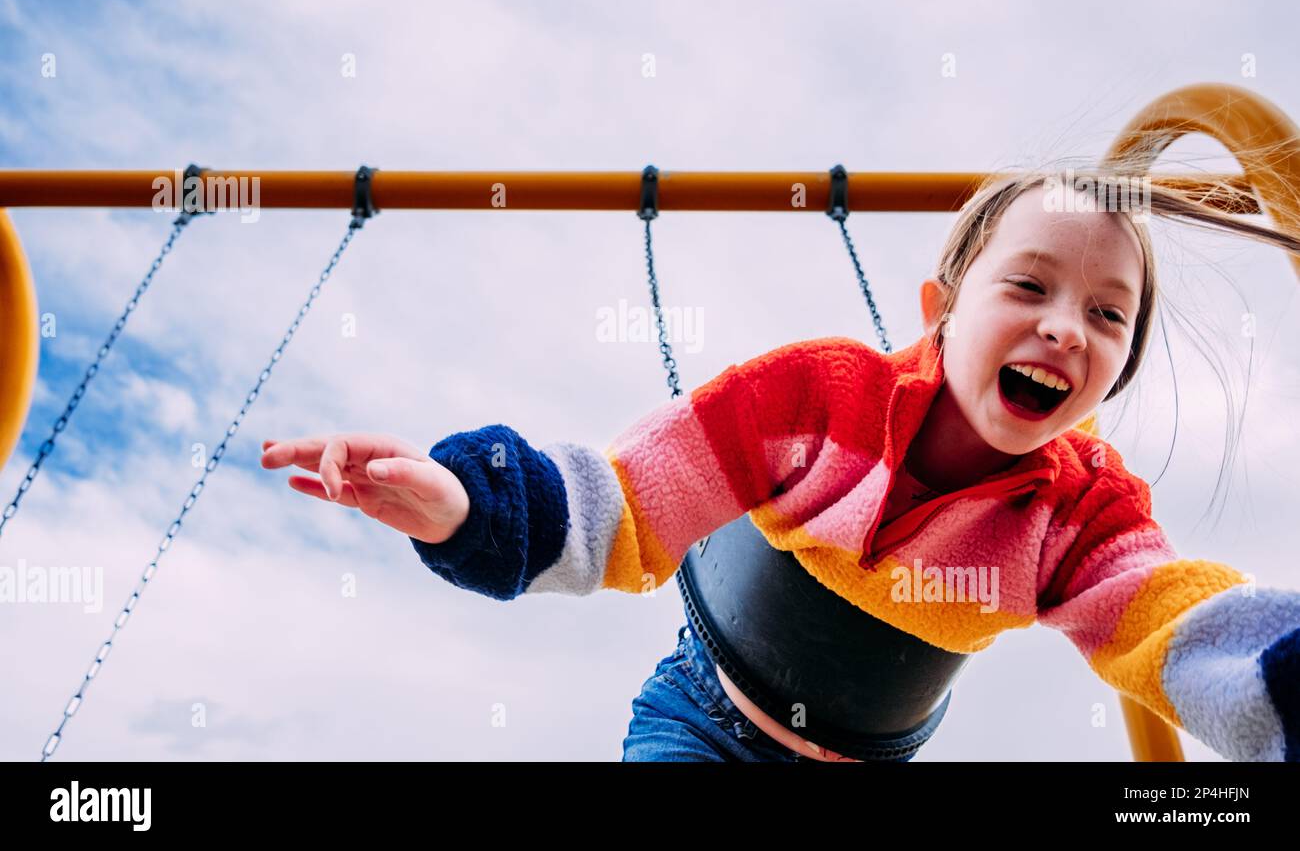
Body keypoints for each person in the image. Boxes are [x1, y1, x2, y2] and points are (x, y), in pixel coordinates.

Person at [260, 166, 1300, 762]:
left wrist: (1279, 686)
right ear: (941, 308)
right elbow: (624, 502)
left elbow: (1171, 619)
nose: (1065, 328)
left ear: (1115, 367)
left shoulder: (1076, 512)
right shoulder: (819, 400)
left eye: (1106, 315)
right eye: (1028, 287)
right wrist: (461, 503)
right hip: (703, 717)